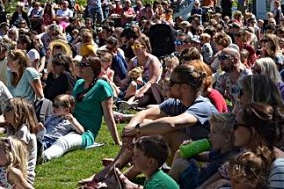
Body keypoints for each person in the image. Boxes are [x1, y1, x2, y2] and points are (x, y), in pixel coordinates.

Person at [83, 64, 216, 184]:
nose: (168, 85)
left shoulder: (202, 106)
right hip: (185, 155)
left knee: (163, 134)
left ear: (184, 87)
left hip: (205, 163)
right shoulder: (178, 103)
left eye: (172, 82)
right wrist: (131, 129)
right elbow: (144, 113)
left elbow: (172, 124)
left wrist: (136, 131)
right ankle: (113, 174)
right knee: (147, 126)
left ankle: (116, 176)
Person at [41, 56, 120, 163]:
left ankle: (43, 157)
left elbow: (108, 116)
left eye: (83, 65)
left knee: (64, 142)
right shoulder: (79, 84)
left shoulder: (102, 86)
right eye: (79, 65)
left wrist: (117, 141)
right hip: (67, 125)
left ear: (93, 69)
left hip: (85, 133)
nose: (79, 67)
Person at [111, 135, 179, 189]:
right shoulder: (152, 177)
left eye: (137, 156)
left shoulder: (156, 184)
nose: (132, 158)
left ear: (150, 162)